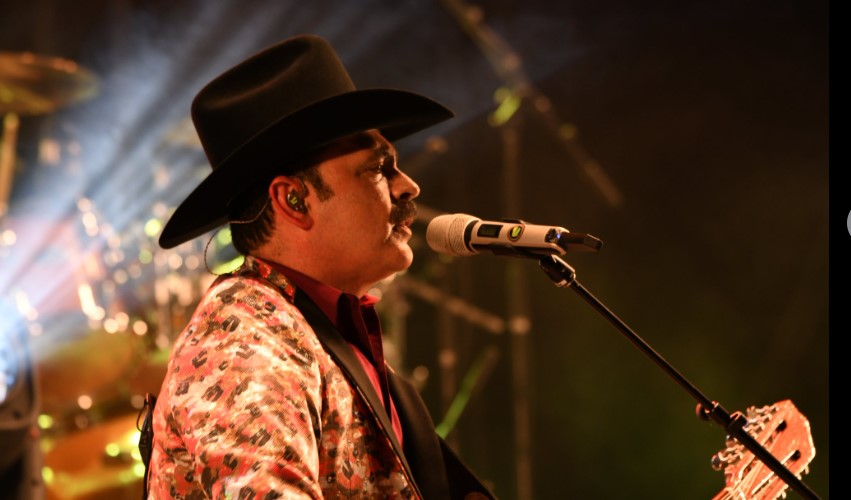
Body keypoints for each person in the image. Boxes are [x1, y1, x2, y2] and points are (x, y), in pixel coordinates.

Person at [146, 34, 495, 499]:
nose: (408, 185)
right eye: (378, 168)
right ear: (294, 199)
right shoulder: (243, 342)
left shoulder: (310, 331)